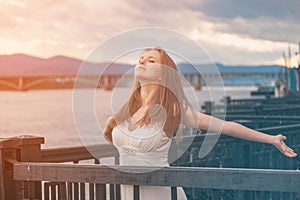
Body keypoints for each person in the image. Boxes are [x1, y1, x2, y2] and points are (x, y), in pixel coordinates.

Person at [103, 47, 297, 200]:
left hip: (157, 192)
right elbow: (120, 143)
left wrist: (271, 139)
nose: (142, 62)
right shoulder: (126, 111)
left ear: (163, 73)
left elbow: (226, 126)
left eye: (151, 60)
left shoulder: (174, 109)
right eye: (141, 60)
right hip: (126, 191)